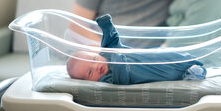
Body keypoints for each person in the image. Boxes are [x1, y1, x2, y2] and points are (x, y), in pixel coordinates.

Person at [66, 14, 206, 85]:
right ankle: (193, 73)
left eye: (94, 59)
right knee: (170, 72)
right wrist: (117, 54)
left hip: (149, 56)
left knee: (171, 55)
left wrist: (106, 26)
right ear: (89, 82)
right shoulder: (108, 79)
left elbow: (112, 39)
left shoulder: (107, 53)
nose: (96, 66)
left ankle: (193, 63)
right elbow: (122, 74)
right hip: (152, 72)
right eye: (90, 72)